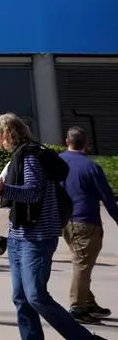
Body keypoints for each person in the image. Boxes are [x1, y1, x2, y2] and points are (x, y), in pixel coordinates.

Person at [0, 112, 100, 340]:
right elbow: (22, 192)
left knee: (36, 296)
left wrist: (3, 190)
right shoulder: (19, 156)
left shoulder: (30, 156)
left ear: (6, 133)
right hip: (18, 234)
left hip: (37, 236)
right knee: (21, 297)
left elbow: (33, 192)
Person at [60, 126, 118, 323]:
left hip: (65, 221)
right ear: (85, 144)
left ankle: (88, 302)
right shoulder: (90, 167)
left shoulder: (58, 162)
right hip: (85, 221)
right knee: (83, 265)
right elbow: (108, 198)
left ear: (66, 141)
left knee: (82, 263)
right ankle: (77, 307)